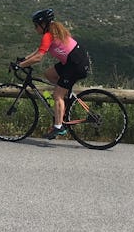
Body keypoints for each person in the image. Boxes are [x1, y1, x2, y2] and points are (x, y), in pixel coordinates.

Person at [17, 8, 90, 140]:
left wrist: (20, 66)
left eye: (36, 26)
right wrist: (25, 58)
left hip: (75, 64)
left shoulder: (48, 35)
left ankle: (58, 127)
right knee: (49, 74)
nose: (35, 29)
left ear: (43, 24)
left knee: (57, 95)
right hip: (73, 61)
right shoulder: (53, 31)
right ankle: (62, 103)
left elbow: (39, 57)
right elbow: (40, 50)